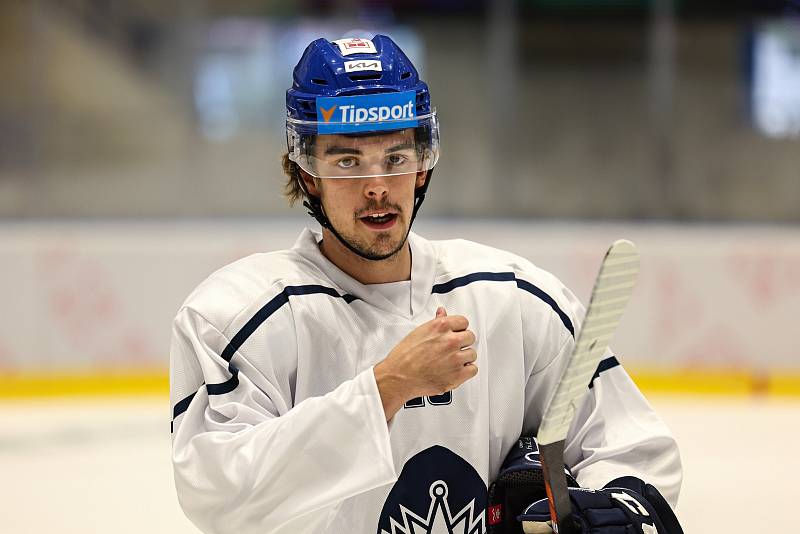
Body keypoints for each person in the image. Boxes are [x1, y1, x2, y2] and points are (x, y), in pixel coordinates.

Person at [170, 35, 682, 534]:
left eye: (396, 159)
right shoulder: (239, 317)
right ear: (307, 174)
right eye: (347, 162)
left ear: (422, 165)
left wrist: (612, 510)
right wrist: (388, 387)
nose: (376, 187)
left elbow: (629, 444)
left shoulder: (513, 299)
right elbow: (217, 494)